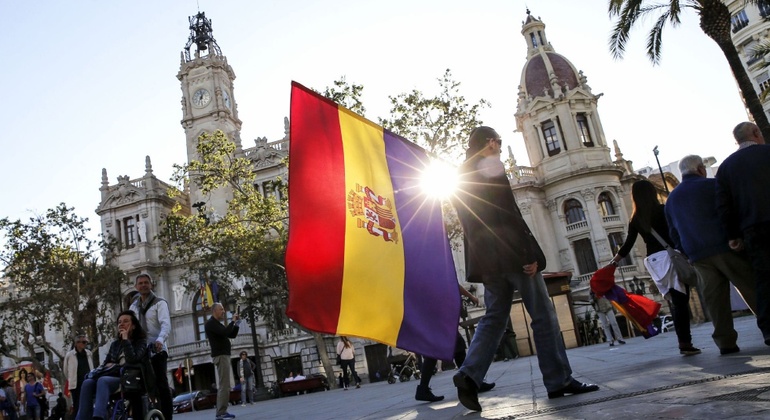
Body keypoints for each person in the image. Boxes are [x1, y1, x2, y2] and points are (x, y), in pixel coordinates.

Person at [450, 126, 599, 411]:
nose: (499, 147)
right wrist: (528, 254)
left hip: (487, 262)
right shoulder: (490, 165)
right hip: (513, 256)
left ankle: (468, 374)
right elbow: (507, 214)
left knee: (493, 318)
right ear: (491, 142)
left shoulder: (459, 175)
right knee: (543, 316)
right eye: (499, 142)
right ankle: (559, 380)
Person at [667, 154, 760, 354]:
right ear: (701, 169)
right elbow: (729, 212)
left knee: (714, 300)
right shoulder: (713, 186)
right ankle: (768, 325)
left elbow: (673, 232)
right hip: (726, 247)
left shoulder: (671, 199)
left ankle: (725, 342)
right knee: (750, 287)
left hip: (698, 255)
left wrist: (686, 251)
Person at [610, 179, 701, 356]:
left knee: (675, 302)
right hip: (670, 257)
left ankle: (684, 341)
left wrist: (613, 263)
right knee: (681, 301)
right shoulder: (663, 210)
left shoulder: (635, 218)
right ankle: (685, 342)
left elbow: (627, 245)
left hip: (654, 262)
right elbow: (677, 232)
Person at [716, 122, 770, 346]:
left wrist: (733, 236)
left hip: (753, 230)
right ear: (757, 133)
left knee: (764, 280)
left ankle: (768, 329)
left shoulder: (726, 168)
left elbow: (724, 206)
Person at [416, 287, 494, 403]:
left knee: (456, 348)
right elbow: (453, 283)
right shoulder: (438, 270)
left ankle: (471, 382)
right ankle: (471, 382)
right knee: (452, 347)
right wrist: (471, 296)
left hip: (433, 311)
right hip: (437, 311)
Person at [76, 310, 151, 420]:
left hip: (130, 379)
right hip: (113, 376)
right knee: (87, 383)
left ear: (134, 326)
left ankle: (98, 417)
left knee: (103, 380)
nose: (121, 324)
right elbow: (106, 364)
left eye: (125, 321)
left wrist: (126, 340)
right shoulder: (115, 344)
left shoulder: (141, 342)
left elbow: (133, 359)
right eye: (119, 322)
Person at [129, 273, 173, 420]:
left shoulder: (160, 303)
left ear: (151, 284)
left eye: (146, 282)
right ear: (136, 287)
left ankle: (167, 416)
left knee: (161, 384)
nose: (143, 285)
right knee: (137, 386)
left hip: (157, 349)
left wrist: (160, 340)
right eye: (140, 283)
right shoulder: (133, 307)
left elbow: (165, 324)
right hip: (140, 351)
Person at [204, 302, 240, 420]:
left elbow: (231, 335)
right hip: (220, 355)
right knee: (224, 385)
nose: (223, 311)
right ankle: (221, 412)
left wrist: (237, 324)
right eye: (221, 309)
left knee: (225, 384)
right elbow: (225, 332)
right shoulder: (210, 324)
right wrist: (232, 321)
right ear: (214, 311)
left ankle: (222, 411)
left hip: (224, 355)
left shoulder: (217, 324)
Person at [63, 334, 94, 418]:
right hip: (76, 385)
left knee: (89, 405)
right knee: (77, 406)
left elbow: (92, 367)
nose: (84, 344)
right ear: (77, 343)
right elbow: (65, 370)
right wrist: (71, 379)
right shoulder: (70, 355)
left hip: (88, 383)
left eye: (85, 342)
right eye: (83, 342)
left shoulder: (89, 353)